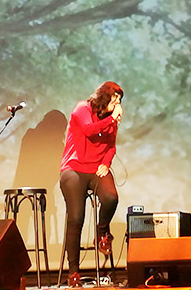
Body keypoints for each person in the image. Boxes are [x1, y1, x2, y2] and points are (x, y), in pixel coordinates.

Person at [60, 81, 123, 287]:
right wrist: (112, 119)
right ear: (105, 98)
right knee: (76, 217)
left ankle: (102, 232)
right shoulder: (82, 108)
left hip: (96, 168)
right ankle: (73, 272)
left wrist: (106, 163)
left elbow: (111, 146)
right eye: (115, 100)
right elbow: (88, 130)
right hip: (74, 168)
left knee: (111, 197)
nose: (117, 105)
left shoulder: (110, 121)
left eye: (119, 101)